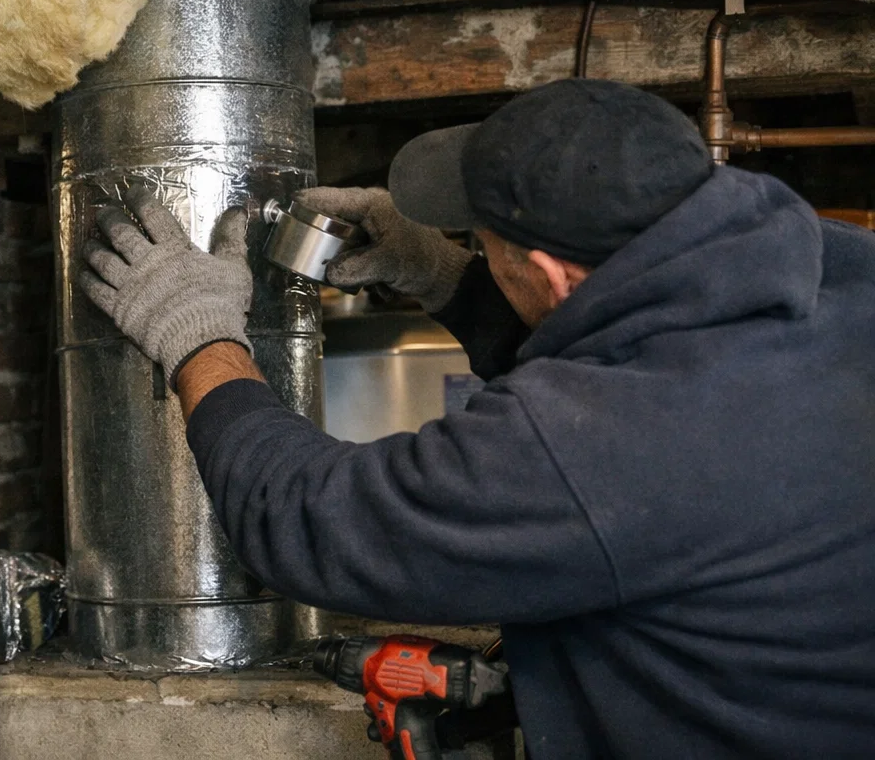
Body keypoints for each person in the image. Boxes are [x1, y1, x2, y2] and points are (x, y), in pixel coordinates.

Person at [80, 78, 875, 757]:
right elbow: (623, 335)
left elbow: (309, 518)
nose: (468, 243)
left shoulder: (606, 446)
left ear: (552, 274)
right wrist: (448, 276)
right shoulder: (835, 269)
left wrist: (198, 335)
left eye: (481, 241)